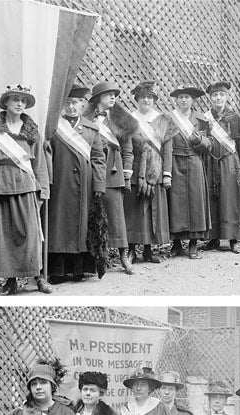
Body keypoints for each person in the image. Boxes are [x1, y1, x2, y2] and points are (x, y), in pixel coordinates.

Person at [0, 84, 51, 295]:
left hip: (26, 186)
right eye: (15, 99)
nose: (20, 104)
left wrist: (42, 190)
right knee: (5, 236)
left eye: (24, 100)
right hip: (1, 186)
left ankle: (39, 277)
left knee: (31, 234)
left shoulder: (31, 132)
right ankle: (10, 280)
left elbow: (40, 165)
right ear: (6, 103)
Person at [47, 86, 107, 283]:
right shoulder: (54, 128)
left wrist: (98, 185)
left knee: (82, 226)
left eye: (75, 103)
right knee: (59, 225)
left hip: (85, 186)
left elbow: (99, 159)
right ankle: (58, 271)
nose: (71, 107)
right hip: (60, 185)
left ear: (82, 105)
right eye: (67, 103)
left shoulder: (91, 129)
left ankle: (79, 269)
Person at [88, 81, 135, 274]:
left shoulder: (121, 119)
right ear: (99, 98)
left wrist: (127, 173)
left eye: (115, 94)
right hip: (94, 172)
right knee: (97, 215)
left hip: (114, 171)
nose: (113, 97)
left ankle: (123, 255)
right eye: (109, 94)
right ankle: (100, 257)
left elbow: (128, 150)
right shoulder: (87, 119)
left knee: (117, 216)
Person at [127, 81, 171, 264]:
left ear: (154, 100)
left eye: (150, 97)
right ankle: (131, 250)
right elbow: (125, 146)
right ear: (137, 99)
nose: (147, 100)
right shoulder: (130, 118)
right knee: (134, 211)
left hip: (156, 170)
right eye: (143, 97)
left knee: (152, 210)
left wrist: (167, 173)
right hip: (137, 168)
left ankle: (148, 250)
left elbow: (167, 148)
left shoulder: (162, 119)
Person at [165, 85, 211, 259]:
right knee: (176, 203)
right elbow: (165, 143)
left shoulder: (201, 119)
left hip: (194, 161)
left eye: (187, 97)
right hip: (175, 161)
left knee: (195, 202)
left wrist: (200, 141)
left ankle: (193, 245)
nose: (184, 100)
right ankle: (176, 244)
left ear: (193, 100)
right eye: (181, 97)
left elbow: (210, 143)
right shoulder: (169, 118)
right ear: (176, 100)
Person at [202, 81, 240, 254]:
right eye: (215, 95)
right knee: (213, 198)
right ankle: (214, 237)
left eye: (221, 95)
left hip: (230, 162)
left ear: (226, 97)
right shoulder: (205, 118)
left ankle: (234, 238)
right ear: (210, 98)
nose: (218, 98)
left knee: (232, 198)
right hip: (211, 162)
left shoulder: (234, 117)